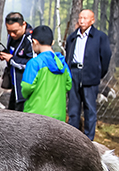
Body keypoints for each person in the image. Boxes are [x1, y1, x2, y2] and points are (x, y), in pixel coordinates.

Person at [65, 9, 111, 139]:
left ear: (92, 20)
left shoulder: (100, 37)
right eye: (80, 18)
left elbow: (106, 56)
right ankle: (72, 137)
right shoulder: (73, 37)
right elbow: (68, 54)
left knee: (89, 108)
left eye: (85, 18)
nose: (82, 21)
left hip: (90, 74)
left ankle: (88, 138)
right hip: (74, 72)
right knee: (73, 107)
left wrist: (98, 73)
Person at [21, 26, 72, 121]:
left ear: (34, 42)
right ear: (52, 42)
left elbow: (26, 88)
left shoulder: (34, 63)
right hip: (58, 117)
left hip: (36, 116)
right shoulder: (63, 64)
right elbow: (68, 85)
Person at [0, 12, 35, 111]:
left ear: (24, 24)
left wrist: (11, 59)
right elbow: (13, 53)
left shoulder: (31, 40)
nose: (12, 34)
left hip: (26, 86)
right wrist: (5, 56)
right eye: (9, 31)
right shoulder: (11, 36)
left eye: (15, 31)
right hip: (15, 84)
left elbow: (32, 63)